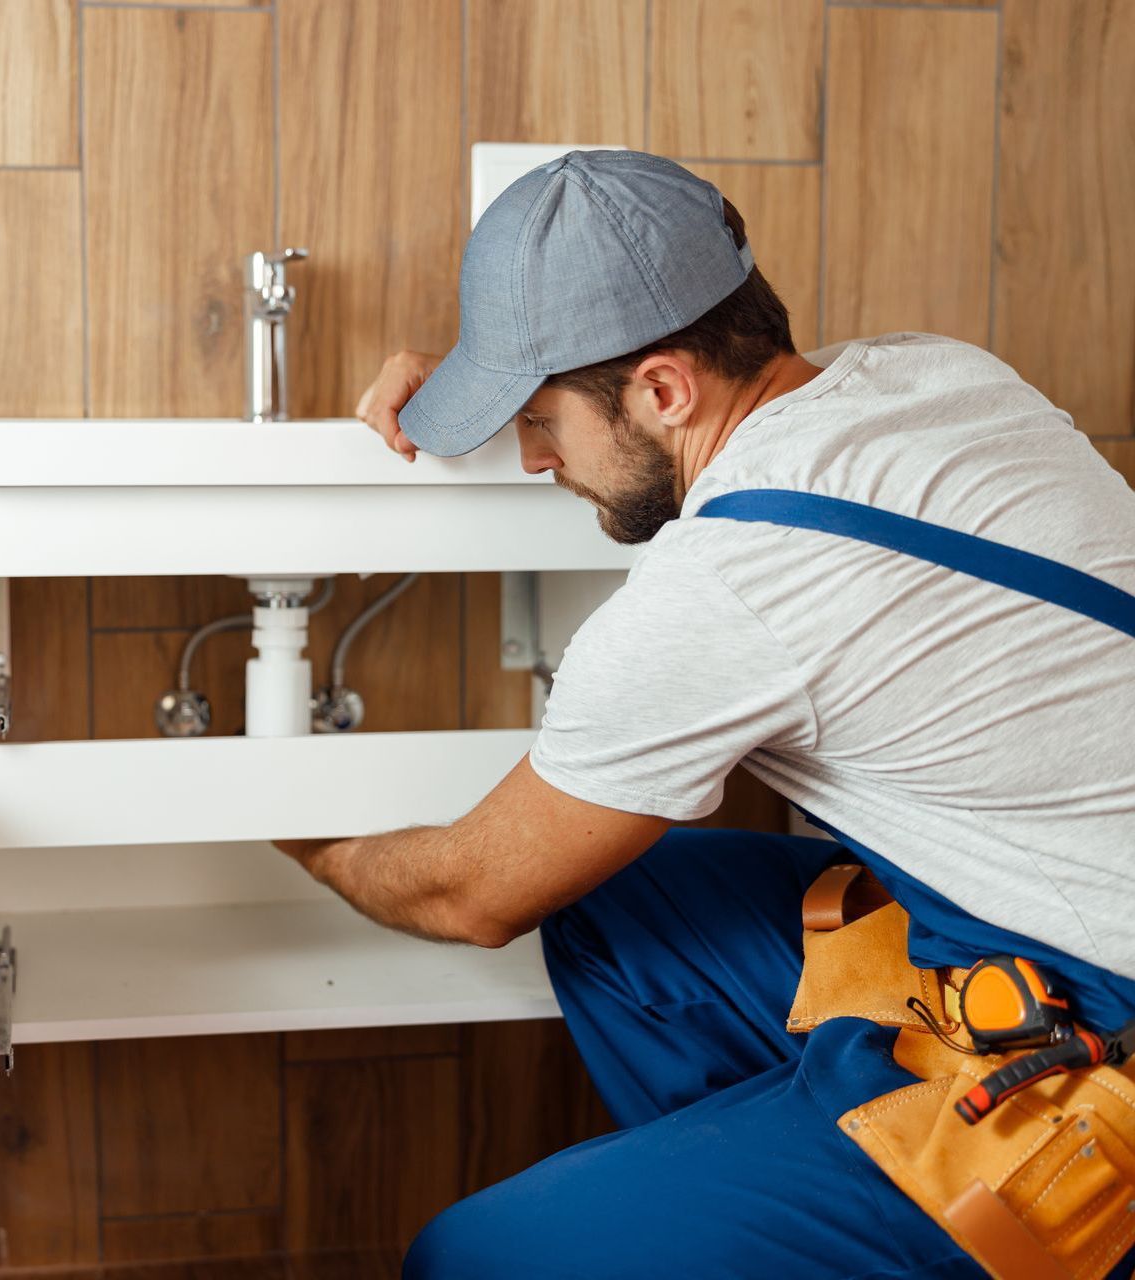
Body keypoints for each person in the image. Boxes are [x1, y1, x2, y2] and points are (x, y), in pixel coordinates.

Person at [273, 150, 1135, 1278]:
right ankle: (776, 1195)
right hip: (1043, 930)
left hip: (1091, 1043)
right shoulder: (933, 373)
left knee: (472, 1258)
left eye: (538, 419)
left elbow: (470, 891)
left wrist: (306, 837)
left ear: (663, 388)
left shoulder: (727, 585)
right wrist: (487, 387)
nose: (532, 457)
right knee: (614, 913)